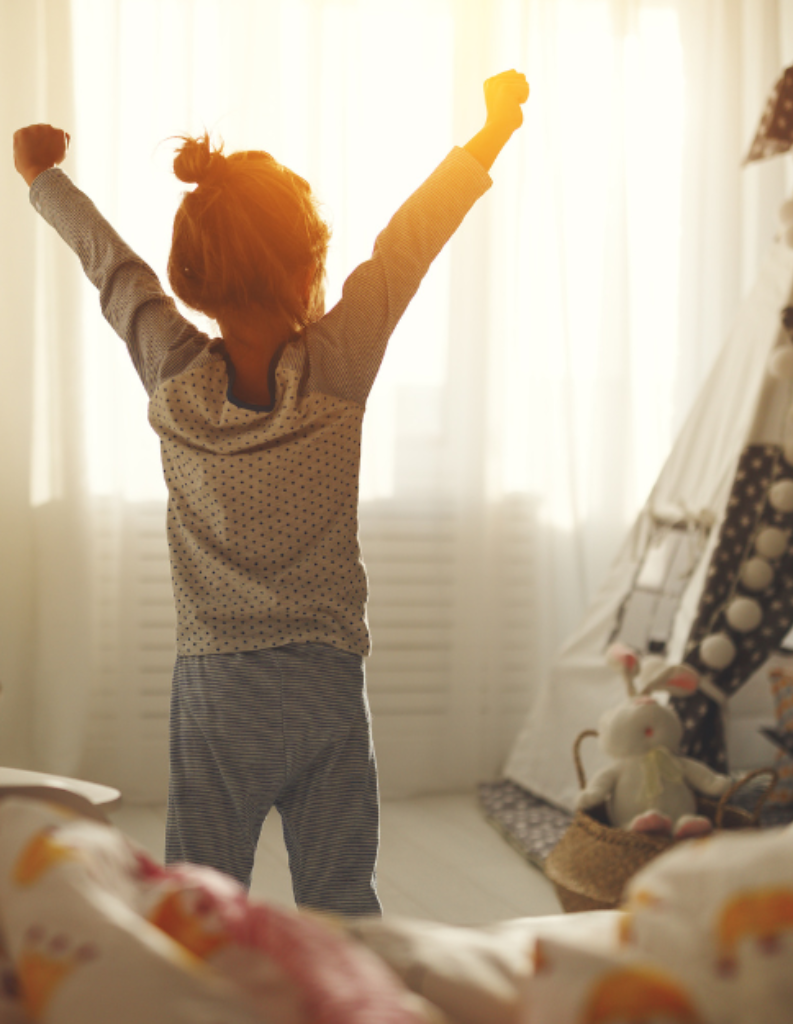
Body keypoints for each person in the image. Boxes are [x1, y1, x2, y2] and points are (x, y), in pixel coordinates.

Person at [13, 69, 530, 916]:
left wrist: (42, 176)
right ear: (308, 268)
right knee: (341, 902)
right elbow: (408, 243)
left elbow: (111, 266)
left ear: (191, 278)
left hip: (217, 691)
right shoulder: (336, 366)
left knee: (202, 901)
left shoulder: (172, 371)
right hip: (326, 683)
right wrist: (490, 132)